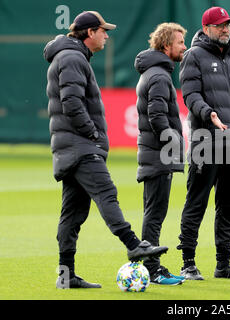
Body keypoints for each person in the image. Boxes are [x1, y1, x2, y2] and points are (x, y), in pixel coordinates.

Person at [44, 11, 168, 289]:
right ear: (90, 33)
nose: (106, 36)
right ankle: (134, 245)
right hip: (79, 146)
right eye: (103, 31)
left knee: (73, 214)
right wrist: (93, 134)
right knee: (106, 193)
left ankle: (66, 276)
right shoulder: (73, 58)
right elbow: (72, 103)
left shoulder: (69, 56)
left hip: (69, 148)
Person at [177, 7, 230, 280]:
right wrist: (207, 113)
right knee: (196, 202)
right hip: (205, 142)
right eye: (221, 25)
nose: (226, 29)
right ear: (207, 28)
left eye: (228, 25)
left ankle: (223, 265)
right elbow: (190, 95)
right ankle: (188, 263)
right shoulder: (193, 56)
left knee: (228, 204)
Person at [134, 23, 187, 285]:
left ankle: (149, 268)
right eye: (180, 43)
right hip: (158, 156)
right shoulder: (159, 76)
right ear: (166, 45)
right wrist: (173, 143)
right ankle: (152, 270)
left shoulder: (154, 72)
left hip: (154, 154)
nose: (184, 47)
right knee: (155, 214)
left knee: (152, 212)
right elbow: (156, 116)